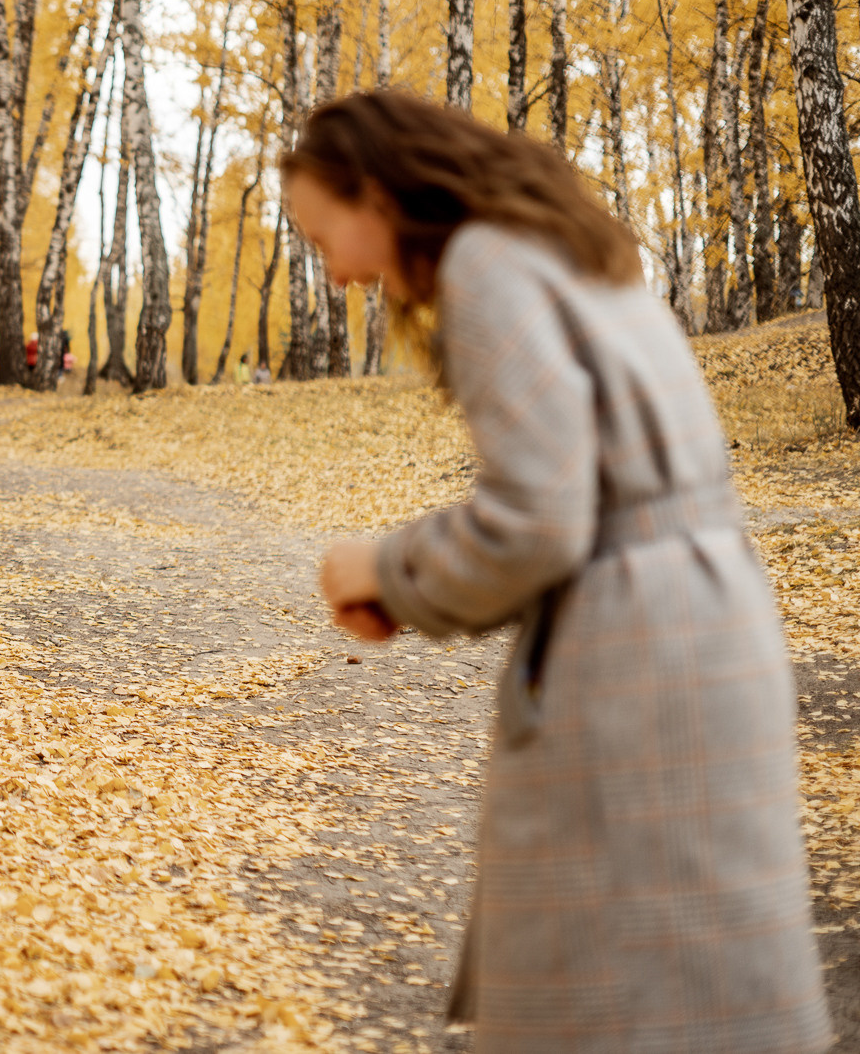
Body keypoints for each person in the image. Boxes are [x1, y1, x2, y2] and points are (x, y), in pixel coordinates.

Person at [293, 91, 830, 1053]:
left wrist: (385, 568)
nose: (330, 273)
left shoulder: (486, 265)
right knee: (706, 985)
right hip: (706, 620)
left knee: (616, 997)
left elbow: (540, 517)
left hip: (639, 656)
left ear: (371, 191)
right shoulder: (561, 245)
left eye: (319, 232)